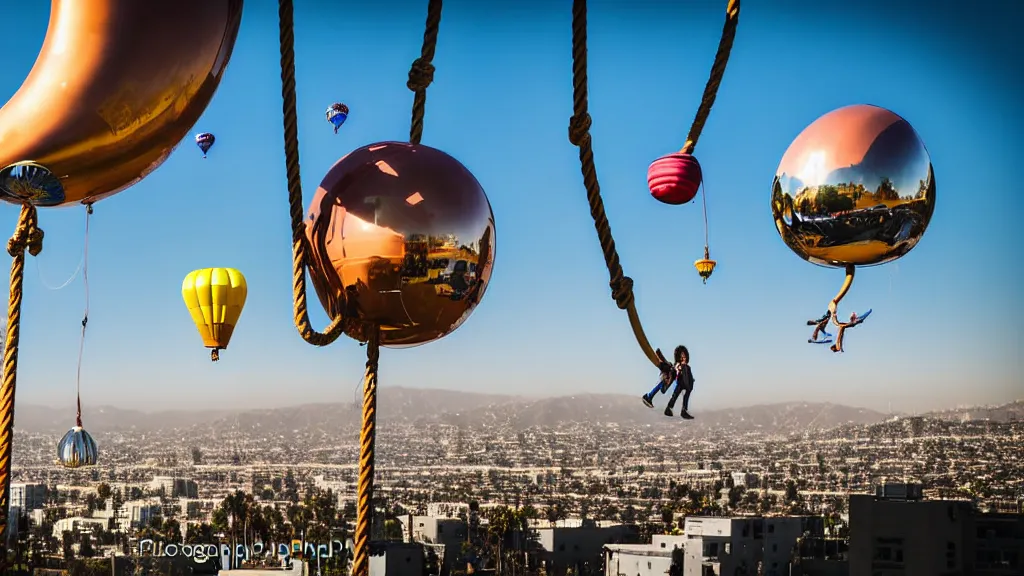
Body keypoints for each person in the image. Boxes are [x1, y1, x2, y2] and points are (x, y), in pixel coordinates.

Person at [641, 345, 695, 419]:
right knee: (669, 388)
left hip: (678, 384)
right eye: (681, 357)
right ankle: (649, 397)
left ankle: (674, 409)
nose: (683, 358)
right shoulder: (679, 366)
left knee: (679, 395)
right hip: (671, 382)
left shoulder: (685, 367)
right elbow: (675, 369)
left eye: (684, 356)